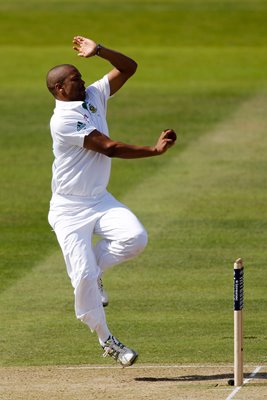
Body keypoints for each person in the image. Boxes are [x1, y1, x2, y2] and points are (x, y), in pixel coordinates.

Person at [46, 36, 176, 367]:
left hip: (99, 199)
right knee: (83, 277)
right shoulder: (63, 119)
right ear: (60, 89)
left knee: (135, 239)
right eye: (75, 78)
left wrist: (99, 50)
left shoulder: (91, 96)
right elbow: (109, 147)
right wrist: (154, 151)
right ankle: (107, 340)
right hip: (69, 210)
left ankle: (96, 266)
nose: (83, 80)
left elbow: (129, 67)